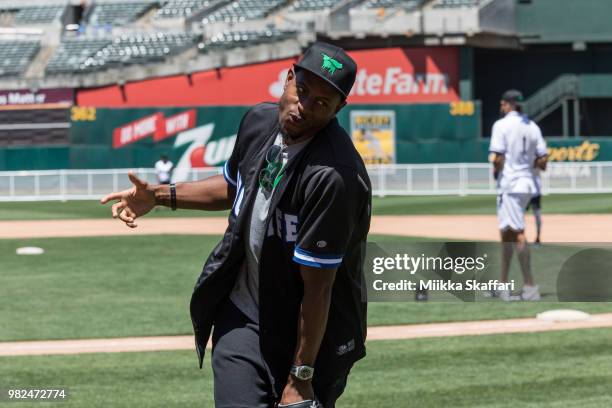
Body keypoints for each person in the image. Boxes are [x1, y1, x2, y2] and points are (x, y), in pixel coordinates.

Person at [100, 42, 371, 408]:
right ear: (288, 78)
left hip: (310, 339)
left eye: (321, 103)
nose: (302, 108)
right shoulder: (259, 122)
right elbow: (234, 185)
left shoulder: (333, 177)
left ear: (339, 109)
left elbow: (318, 290)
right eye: (301, 91)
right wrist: (160, 196)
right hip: (245, 316)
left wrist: (300, 378)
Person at [488, 89, 547, 302]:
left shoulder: (501, 125)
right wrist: (527, 165)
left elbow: (498, 157)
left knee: (518, 233)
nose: (501, 106)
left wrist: (495, 164)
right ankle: (503, 284)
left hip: (510, 184)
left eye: (503, 103)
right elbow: (543, 160)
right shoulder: (532, 126)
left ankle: (530, 286)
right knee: (507, 233)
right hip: (526, 183)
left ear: (507, 104)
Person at [526, 168, 543, 244]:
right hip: (523, 190)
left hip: (535, 192)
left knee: (537, 216)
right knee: (518, 215)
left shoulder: (537, 157)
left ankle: (538, 237)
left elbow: (543, 167)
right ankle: (519, 237)